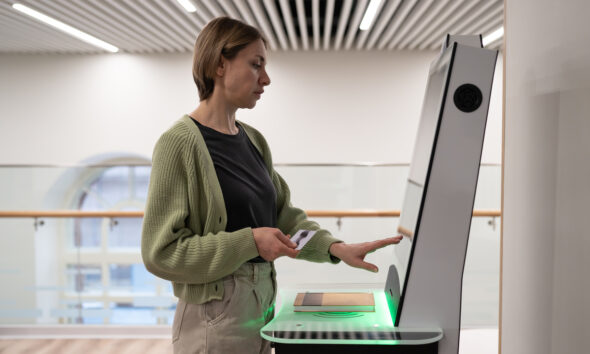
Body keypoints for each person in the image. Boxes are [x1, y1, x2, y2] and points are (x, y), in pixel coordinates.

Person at [141, 17, 403, 354]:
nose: (265, 79)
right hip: (214, 319)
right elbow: (160, 253)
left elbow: (286, 220)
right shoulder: (178, 144)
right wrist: (249, 241)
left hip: (262, 307)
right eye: (255, 64)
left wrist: (335, 248)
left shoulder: (253, 139)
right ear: (220, 64)